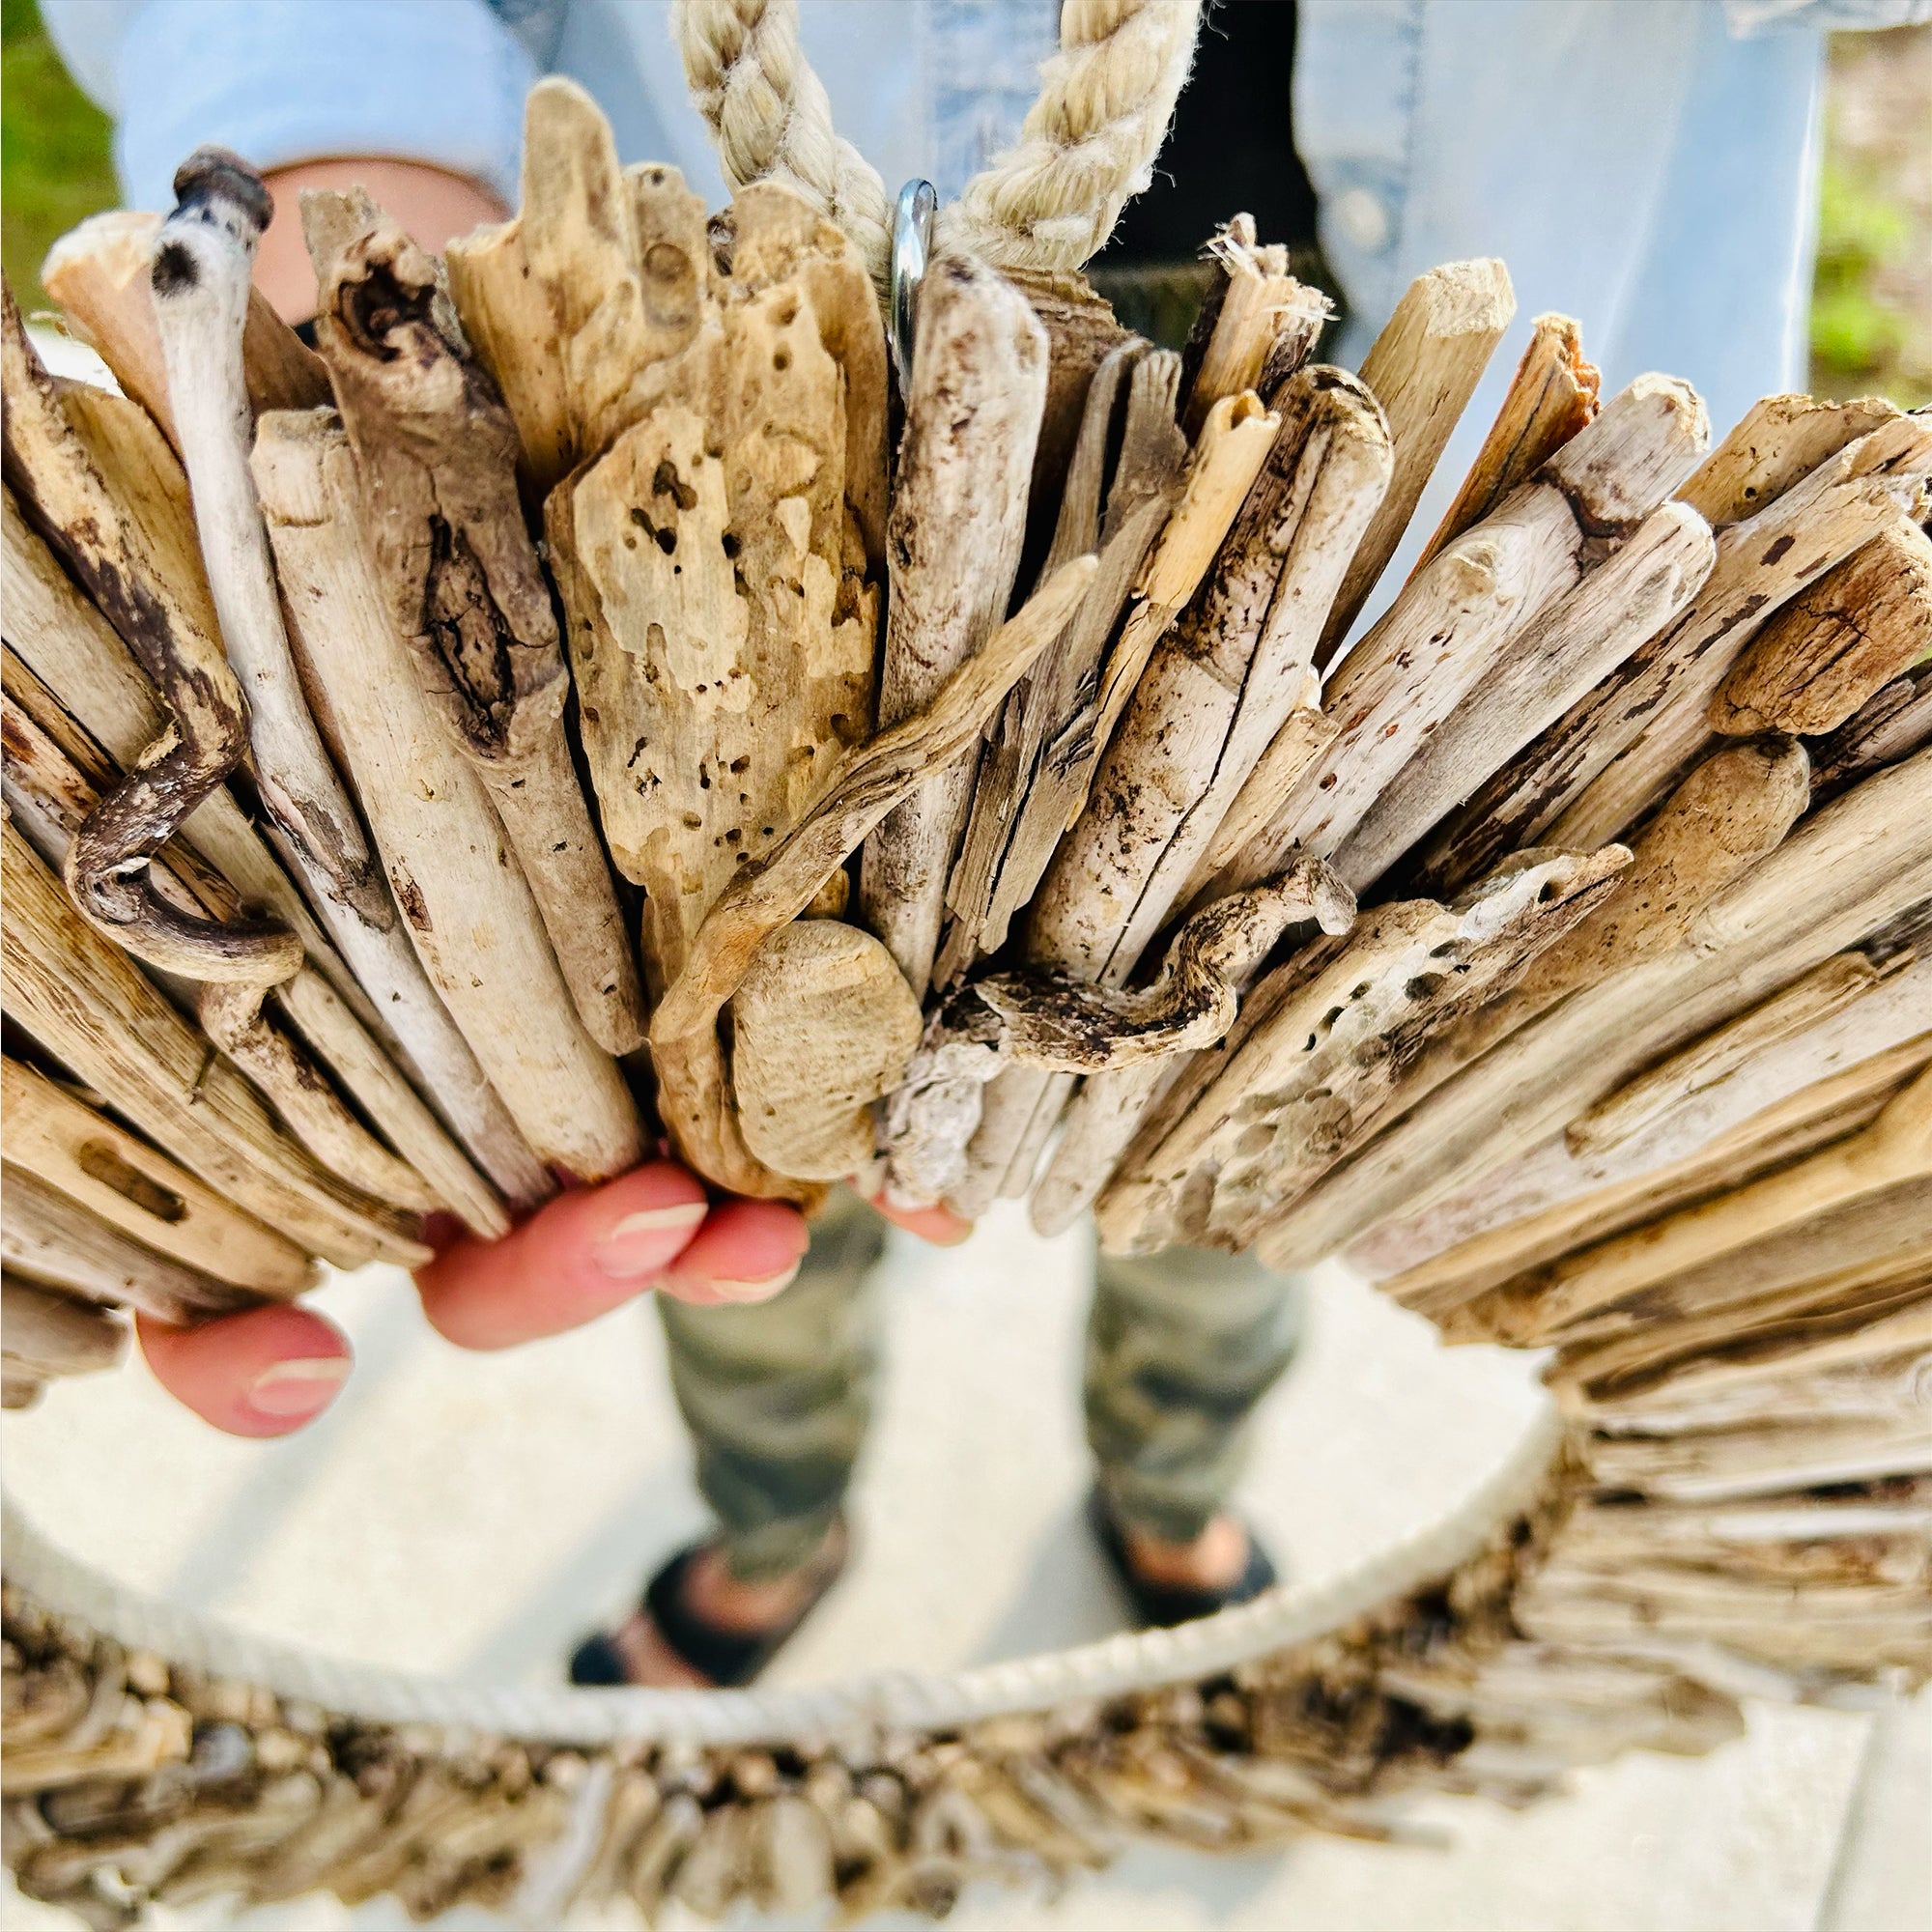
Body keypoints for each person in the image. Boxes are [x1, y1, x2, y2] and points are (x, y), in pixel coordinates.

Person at [41, 0, 1920, 1684]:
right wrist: (345, 191)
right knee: (731, 1161)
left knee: (1256, 1127)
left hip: (1431, 482)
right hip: (719, 433)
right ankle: (779, 1522)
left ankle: (1168, 1476)